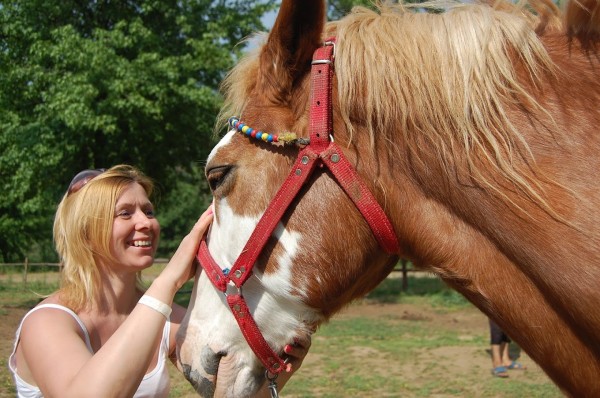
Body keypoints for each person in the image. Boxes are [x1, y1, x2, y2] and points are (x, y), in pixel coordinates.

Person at [8, 165, 309, 397]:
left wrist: (276, 372)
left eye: (148, 211)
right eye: (125, 213)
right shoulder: (46, 323)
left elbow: (226, 393)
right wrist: (169, 280)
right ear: (86, 233)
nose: (146, 223)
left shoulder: (165, 322)